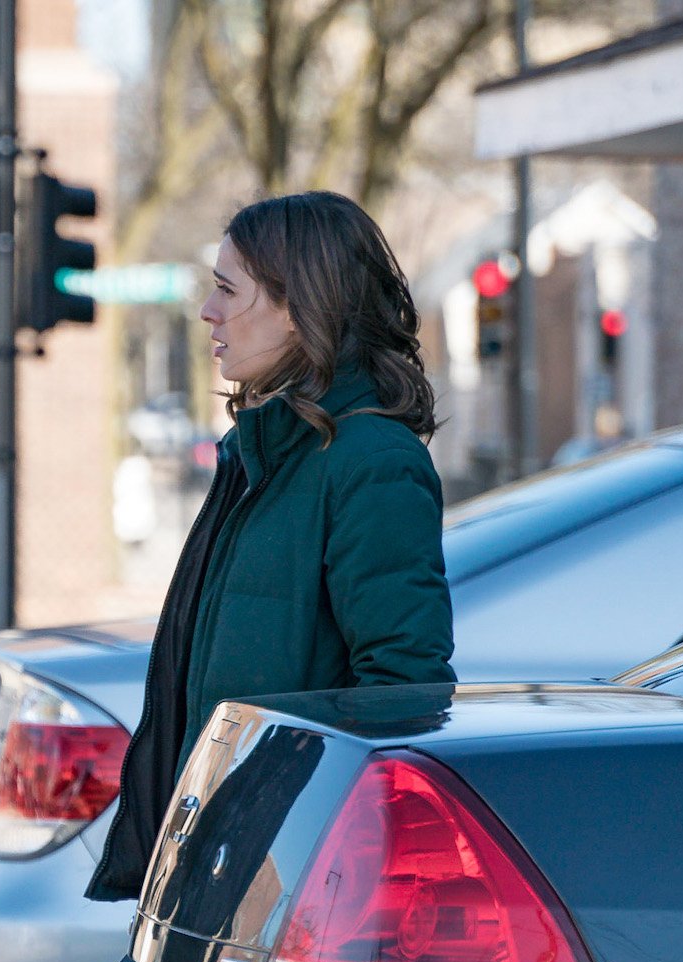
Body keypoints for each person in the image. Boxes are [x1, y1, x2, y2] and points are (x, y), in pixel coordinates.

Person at [86, 190, 454, 903]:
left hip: (283, 875)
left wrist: (310, 869)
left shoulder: (369, 459)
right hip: (214, 858)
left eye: (228, 290)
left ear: (301, 305)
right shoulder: (263, 453)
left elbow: (403, 690)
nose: (208, 312)